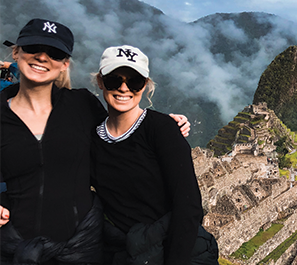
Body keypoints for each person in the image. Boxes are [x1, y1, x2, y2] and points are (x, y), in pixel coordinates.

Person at [0, 18, 189, 264]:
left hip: (82, 247)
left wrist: (163, 126)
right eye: (33, 48)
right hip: (13, 247)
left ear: (64, 64)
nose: (42, 57)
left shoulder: (81, 105)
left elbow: (117, 138)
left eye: (55, 53)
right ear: (16, 52)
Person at [91, 45, 218, 265]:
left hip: (174, 250)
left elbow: (188, 206)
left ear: (146, 86)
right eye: (114, 80)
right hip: (129, 252)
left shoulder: (162, 130)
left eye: (134, 82)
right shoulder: (93, 137)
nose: (123, 88)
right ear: (100, 81)